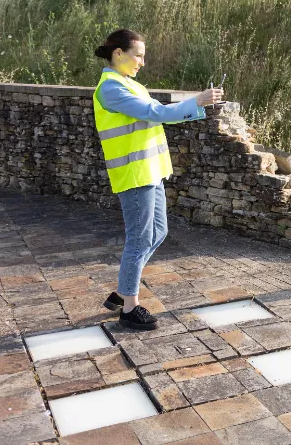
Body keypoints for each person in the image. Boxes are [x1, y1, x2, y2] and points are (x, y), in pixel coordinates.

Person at [93, 29, 223, 330]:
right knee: (139, 238)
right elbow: (155, 112)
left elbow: (160, 113)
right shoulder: (110, 89)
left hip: (150, 170)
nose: (142, 62)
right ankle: (129, 307)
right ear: (118, 54)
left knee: (158, 232)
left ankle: (124, 289)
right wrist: (197, 101)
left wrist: (198, 106)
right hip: (134, 174)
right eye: (138, 55)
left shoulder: (130, 84)